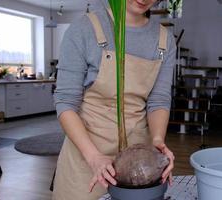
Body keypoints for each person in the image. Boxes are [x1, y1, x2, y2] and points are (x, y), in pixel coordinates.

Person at [52, 0, 176, 199]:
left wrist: (157, 141)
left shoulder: (165, 40)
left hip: (138, 161)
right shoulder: (84, 29)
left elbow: (159, 100)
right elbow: (66, 102)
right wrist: (94, 158)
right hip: (86, 155)